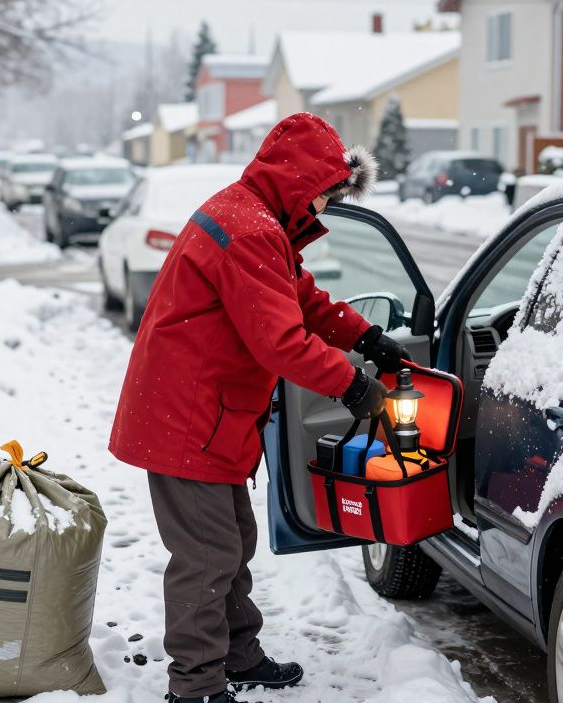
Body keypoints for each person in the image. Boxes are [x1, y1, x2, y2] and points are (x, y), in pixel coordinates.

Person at [109, 113, 411, 703]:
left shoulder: (256, 219)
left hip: (205, 412)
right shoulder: (248, 231)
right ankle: (194, 687)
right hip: (188, 418)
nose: (327, 205)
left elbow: (301, 298)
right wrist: (354, 385)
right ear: (300, 180)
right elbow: (281, 341)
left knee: (232, 542)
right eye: (327, 192)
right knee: (206, 556)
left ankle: (238, 656)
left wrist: (366, 338)